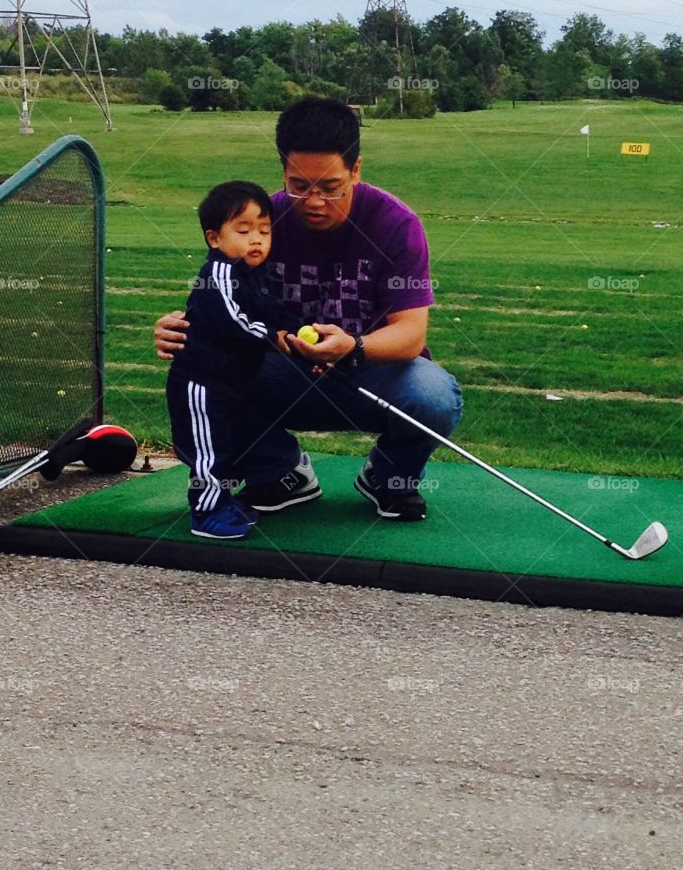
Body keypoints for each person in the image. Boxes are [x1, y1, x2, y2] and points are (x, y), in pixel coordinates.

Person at [155, 97, 463, 523]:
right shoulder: (260, 223)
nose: (314, 201)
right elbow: (220, 297)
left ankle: (389, 477)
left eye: (330, 187)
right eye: (299, 185)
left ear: (355, 170)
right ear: (283, 171)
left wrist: (351, 347)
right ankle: (279, 471)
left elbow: (411, 335)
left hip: (366, 370)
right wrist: (183, 328)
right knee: (199, 370)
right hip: (283, 374)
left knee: (434, 396)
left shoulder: (396, 224)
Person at [166, 180, 288, 540]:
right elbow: (232, 321)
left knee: (226, 442)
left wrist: (295, 331)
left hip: (230, 382)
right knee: (208, 450)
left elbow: (273, 312)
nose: (256, 240)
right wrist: (274, 337)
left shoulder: (256, 275)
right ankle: (206, 511)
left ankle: (223, 500)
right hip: (201, 382)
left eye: (264, 231)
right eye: (244, 231)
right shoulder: (219, 273)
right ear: (214, 238)